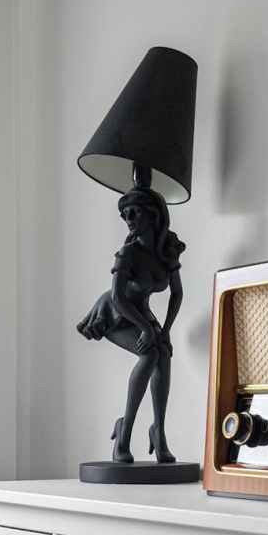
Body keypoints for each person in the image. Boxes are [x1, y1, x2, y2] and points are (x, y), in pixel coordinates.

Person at [77, 186, 184, 463]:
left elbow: (177, 293)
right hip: (115, 312)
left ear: (153, 214)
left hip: (140, 311)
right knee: (149, 354)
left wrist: (166, 331)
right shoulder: (127, 253)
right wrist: (148, 330)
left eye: (134, 211)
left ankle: (158, 431)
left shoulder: (166, 249)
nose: (129, 218)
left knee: (164, 354)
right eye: (124, 214)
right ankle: (124, 437)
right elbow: (117, 296)